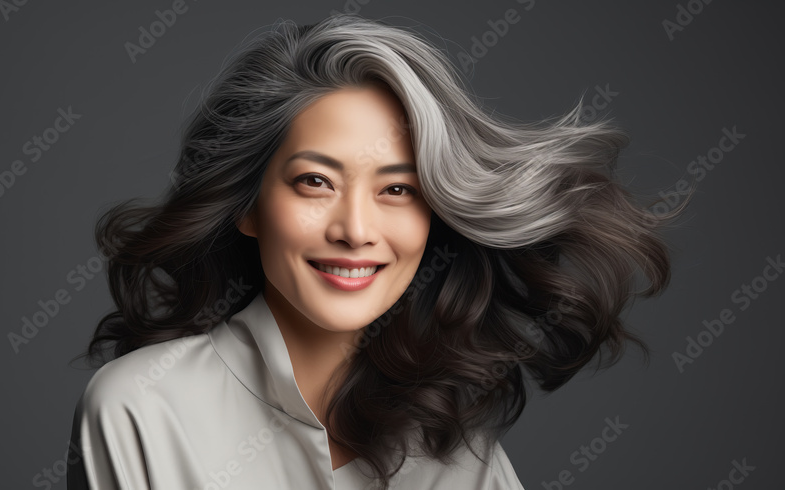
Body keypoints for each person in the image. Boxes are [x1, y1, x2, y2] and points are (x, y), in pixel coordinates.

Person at [65, 13, 687, 490]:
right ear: (248, 207)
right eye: (315, 182)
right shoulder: (140, 407)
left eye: (397, 189)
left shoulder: (458, 444)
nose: (356, 229)